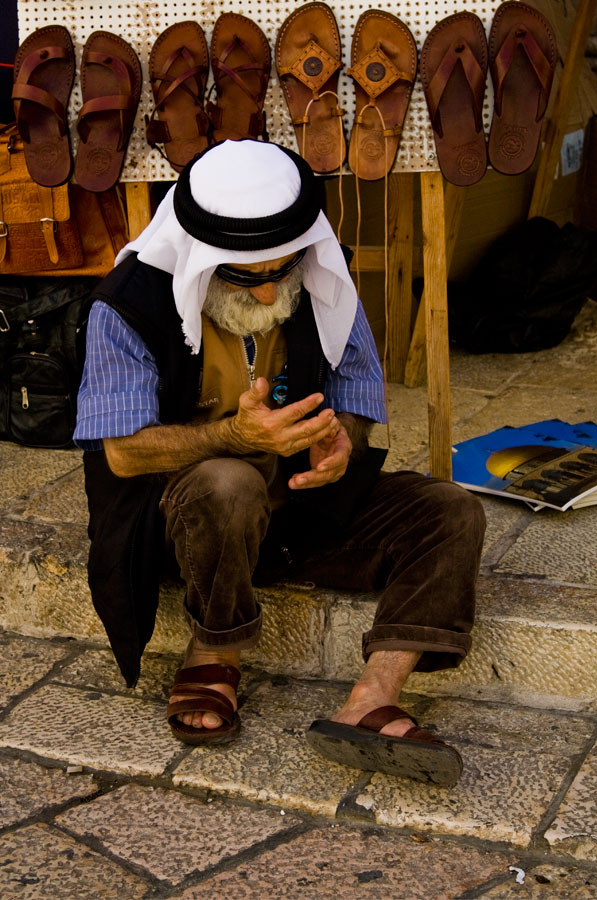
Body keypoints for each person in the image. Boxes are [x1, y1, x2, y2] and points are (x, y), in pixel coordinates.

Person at [74, 140, 485, 786]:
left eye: (282, 270)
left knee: (452, 512)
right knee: (228, 481)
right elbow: (122, 453)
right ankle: (213, 649)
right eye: (245, 276)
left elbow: (355, 393)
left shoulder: (320, 277)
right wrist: (234, 435)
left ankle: (374, 697)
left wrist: (340, 439)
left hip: (297, 511)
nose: (269, 293)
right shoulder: (128, 305)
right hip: (184, 525)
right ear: (203, 260)